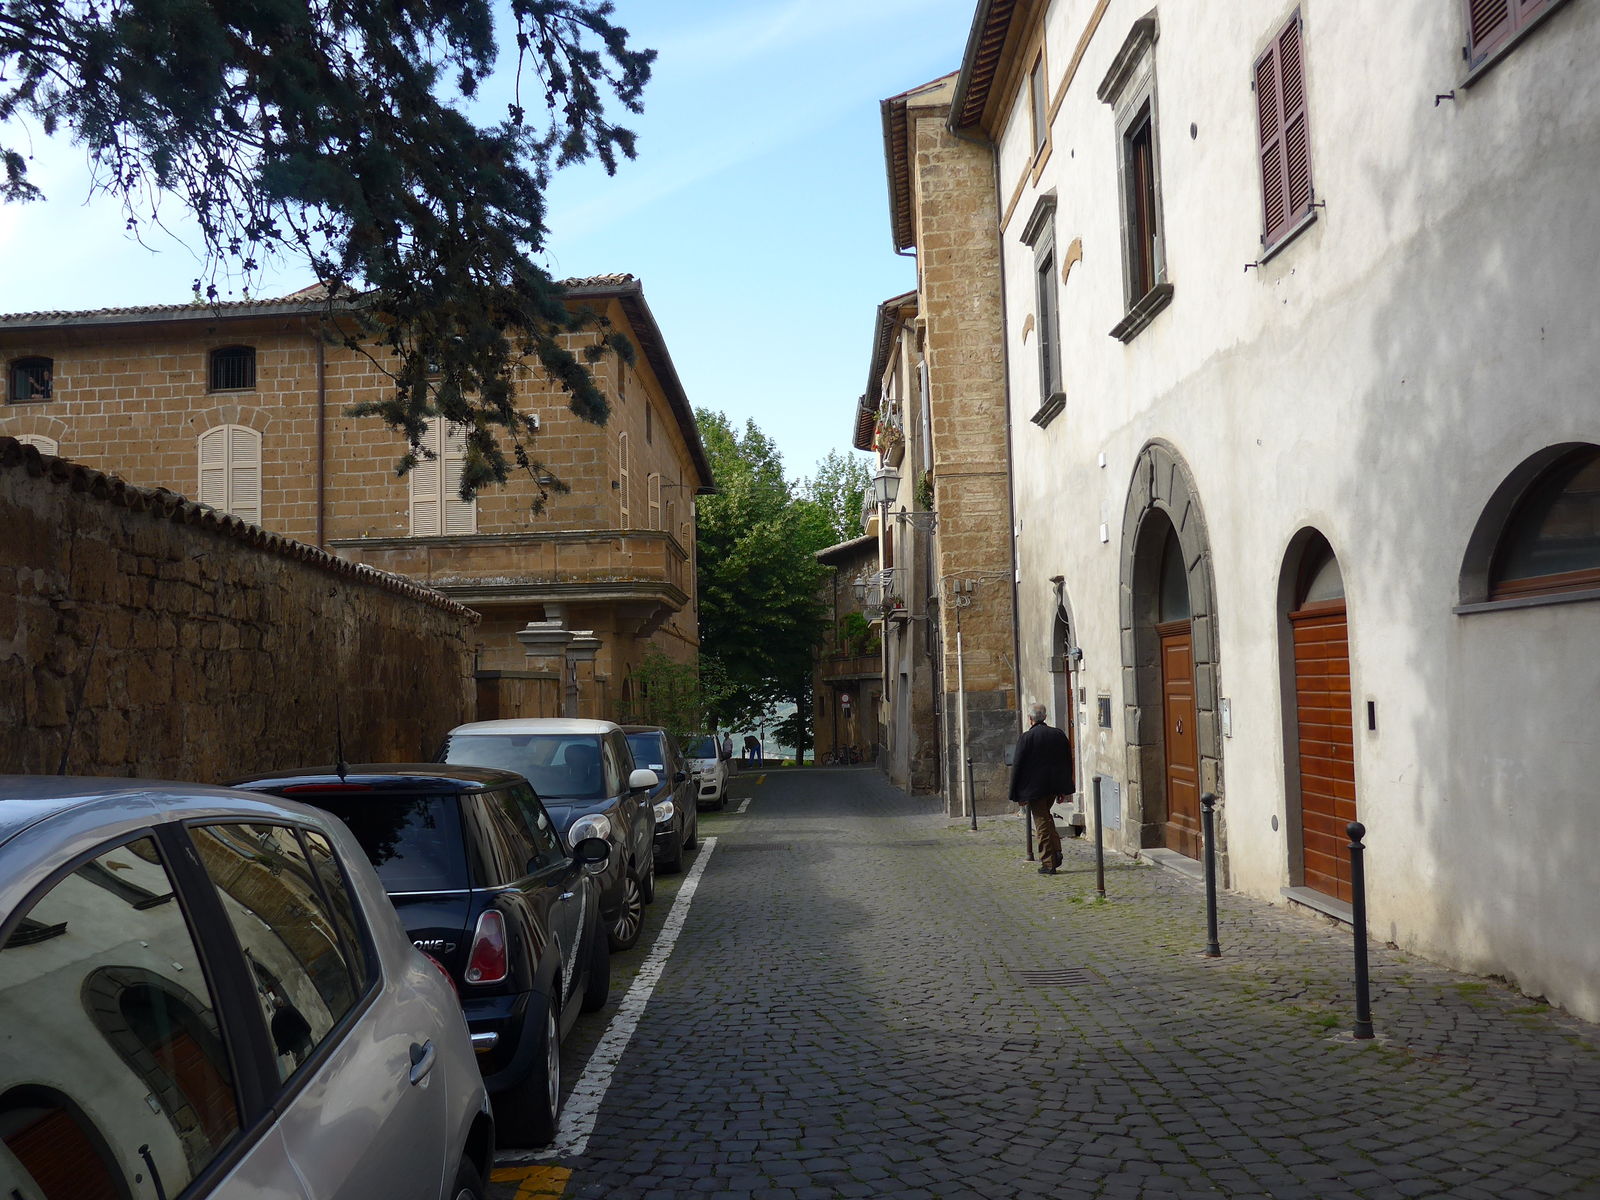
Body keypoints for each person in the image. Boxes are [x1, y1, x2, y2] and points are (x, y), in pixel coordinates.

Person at [1009, 702, 1075, 875]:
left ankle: (1048, 862)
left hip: (1034, 789)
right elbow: (1066, 761)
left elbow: (1017, 767)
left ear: (1030, 719)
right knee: (1046, 818)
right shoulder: (1058, 734)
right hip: (1052, 787)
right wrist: (1063, 788)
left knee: (1041, 824)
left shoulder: (1026, 738)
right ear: (1045, 717)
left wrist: (1017, 794)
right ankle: (1056, 852)